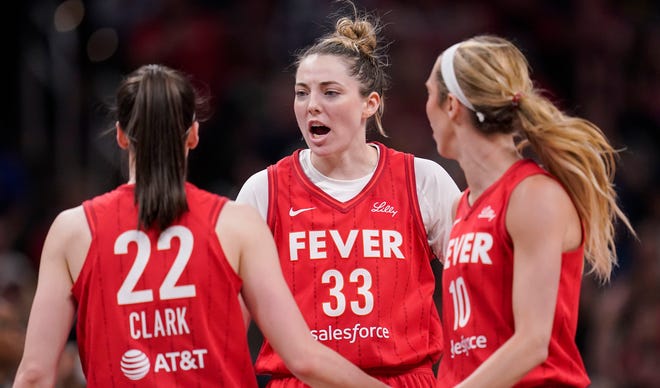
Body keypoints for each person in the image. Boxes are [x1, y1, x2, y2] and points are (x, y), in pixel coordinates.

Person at [13, 64, 388, 388]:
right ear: (193, 134)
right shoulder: (237, 224)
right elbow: (303, 359)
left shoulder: (73, 230)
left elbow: (34, 375)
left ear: (121, 136)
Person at [235, 4, 461, 387]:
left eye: (331, 92)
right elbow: (228, 323)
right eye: (301, 93)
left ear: (369, 105)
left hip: (404, 378)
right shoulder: (263, 190)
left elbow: (473, 291)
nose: (312, 106)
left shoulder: (423, 180)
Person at [424, 35, 636, 387]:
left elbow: (532, 343)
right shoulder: (462, 204)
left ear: (452, 106)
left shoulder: (532, 196)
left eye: (429, 94)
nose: (425, 107)